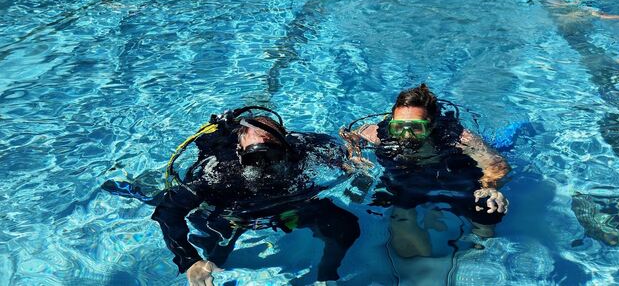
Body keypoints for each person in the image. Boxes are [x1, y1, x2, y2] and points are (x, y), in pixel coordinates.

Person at [152, 107, 360, 285]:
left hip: (290, 204)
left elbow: (335, 145)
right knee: (215, 257)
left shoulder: (302, 149)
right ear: (240, 155)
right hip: (236, 212)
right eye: (255, 158)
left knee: (346, 226)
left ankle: (326, 276)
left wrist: (351, 158)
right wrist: (188, 260)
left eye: (272, 156)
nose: (265, 167)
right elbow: (169, 209)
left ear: (286, 149)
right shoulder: (223, 175)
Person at [340, 84, 510, 258]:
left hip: (449, 173)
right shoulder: (378, 133)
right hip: (407, 175)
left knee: (487, 205)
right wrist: (355, 155)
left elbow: (497, 164)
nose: (406, 135)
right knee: (375, 202)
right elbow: (351, 135)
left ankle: (482, 249)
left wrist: (490, 186)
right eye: (399, 127)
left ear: (432, 124)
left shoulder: (458, 137)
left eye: (416, 128)